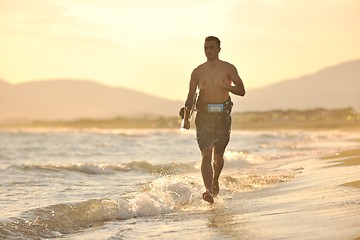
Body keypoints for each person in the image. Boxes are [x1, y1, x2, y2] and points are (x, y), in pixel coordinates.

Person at [182, 36, 245, 203]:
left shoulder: (228, 68)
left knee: (218, 155)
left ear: (218, 49)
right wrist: (186, 112)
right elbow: (190, 97)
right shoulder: (197, 71)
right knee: (206, 154)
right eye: (206, 48)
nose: (208, 51)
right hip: (204, 116)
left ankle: (216, 179)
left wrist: (225, 86)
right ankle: (208, 190)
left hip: (222, 116)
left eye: (211, 47)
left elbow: (241, 90)